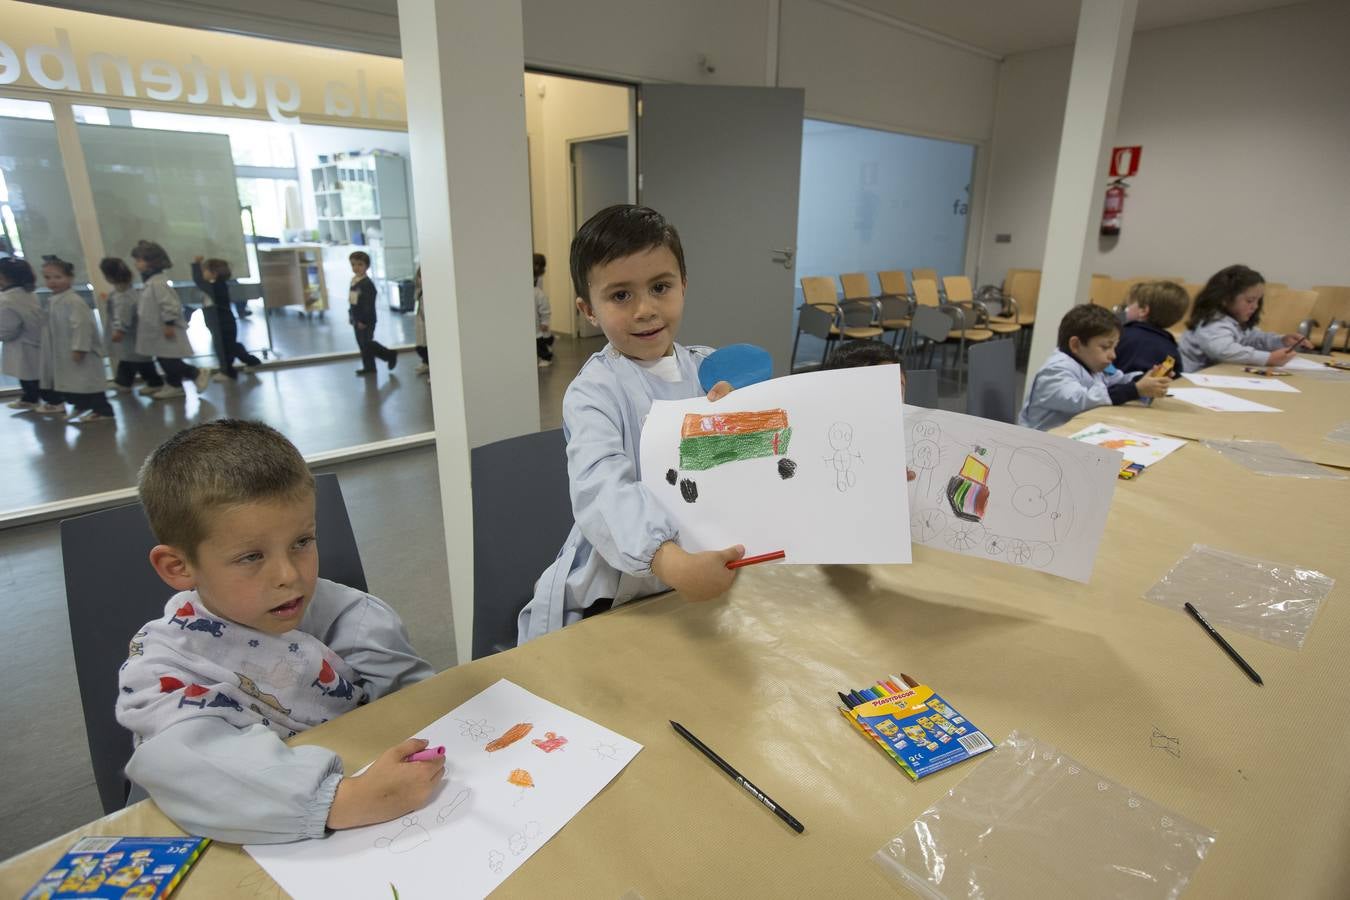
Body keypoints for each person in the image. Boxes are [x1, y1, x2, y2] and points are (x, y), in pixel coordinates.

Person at [116, 420, 442, 844]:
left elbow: (423, 709)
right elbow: (193, 768)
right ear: (179, 567)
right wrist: (340, 801)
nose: (290, 575)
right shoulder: (163, 665)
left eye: (302, 542)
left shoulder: (354, 617)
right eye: (252, 556)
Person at [517, 205, 741, 644]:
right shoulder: (594, 392)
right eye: (621, 295)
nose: (645, 309)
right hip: (620, 590)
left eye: (660, 287)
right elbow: (603, 488)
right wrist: (667, 559)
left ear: (684, 286)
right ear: (588, 309)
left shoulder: (711, 371)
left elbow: (769, 461)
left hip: (709, 572)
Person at [1018, 303, 1169, 431]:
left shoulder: (1096, 364)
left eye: (1114, 347)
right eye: (1105, 347)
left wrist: (1145, 379)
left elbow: (1119, 379)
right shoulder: (1055, 371)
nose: (1113, 355)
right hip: (1042, 442)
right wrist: (1135, 390)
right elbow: (1082, 400)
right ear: (1076, 345)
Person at [1178, 264, 1309, 372]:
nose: (1256, 306)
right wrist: (1268, 358)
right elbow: (1224, 351)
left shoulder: (1235, 320)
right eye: (1250, 301)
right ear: (1225, 299)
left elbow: (1254, 338)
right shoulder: (1212, 323)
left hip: (1215, 375)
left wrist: (1281, 341)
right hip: (1193, 380)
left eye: (1258, 300)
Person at [131, 241, 212, 400]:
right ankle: (174, 385)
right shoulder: (152, 282)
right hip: (158, 330)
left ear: (151, 262)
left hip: (165, 330)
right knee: (164, 358)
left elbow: (170, 306)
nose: (136, 264)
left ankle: (195, 373)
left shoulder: (158, 284)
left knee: (170, 361)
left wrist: (168, 324)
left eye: (139, 260)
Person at [42, 256, 116, 424]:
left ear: (70, 278)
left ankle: (102, 410)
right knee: (73, 385)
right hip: (64, 352)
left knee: (89, 384)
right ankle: (80, 405)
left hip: (82, 353)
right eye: (47, 277)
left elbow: (82, 326)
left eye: (58, 277)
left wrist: (79, 348)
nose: (52, 282)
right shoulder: (54, 300)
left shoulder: (73, 301)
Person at [101, 257, 164, 396]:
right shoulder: (126, 292)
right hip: (133, 334)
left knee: (138, 360)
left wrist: (119, 329)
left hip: (130, 335)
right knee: (129, 359)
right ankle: (123, 382)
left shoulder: (123, 296)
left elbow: (123, 314)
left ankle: (154, 383)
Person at [192, 256, 262, 381]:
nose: (203, 274)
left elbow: (198, 281)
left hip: (221, 323)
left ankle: (228, 372)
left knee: (224, 348)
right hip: (221, 322)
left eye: (205, 270)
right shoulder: (218, 286)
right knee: (230, 346)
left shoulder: (215, 287)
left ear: (214, 273)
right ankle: (250, 362)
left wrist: (196, 264)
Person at [0, 256, 47, 410]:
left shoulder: (6, 299)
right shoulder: (28, 293)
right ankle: (31, 398)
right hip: (35, 340)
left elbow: (8, 327)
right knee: (33, 374)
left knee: (29, 376)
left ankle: (39, 399)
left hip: (22, 344)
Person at [1114, 281, 1189, 376]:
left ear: (1143, 311)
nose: (1127, 308)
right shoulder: (1172, 349)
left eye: (1129, 305)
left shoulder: (1119, 336)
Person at [349, 251, 397, 376]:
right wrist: (352, 316)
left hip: (366, 320)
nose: (356, 268)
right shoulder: (354, 281)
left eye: (360, 265)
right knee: (362, 344)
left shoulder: (367, 284)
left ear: (366, 266)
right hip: (356, 319)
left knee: (367, 343)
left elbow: (368, 305)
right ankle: (369, 367)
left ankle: (389, 354)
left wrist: (363, 320)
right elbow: (352, 301)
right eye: (353, 265)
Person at [534, 253, 554, 368]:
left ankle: (546, 356)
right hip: (537, 307)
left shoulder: (538, 291)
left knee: (540, 338)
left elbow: (544, 308)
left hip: (538, 305)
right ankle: (549, 340)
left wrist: (545, 322)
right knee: (542, 335)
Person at [413, 266, 428, 375]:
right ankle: (426, 363)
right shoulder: (419, 292)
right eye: (420, 277)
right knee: (420, 347)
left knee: (426, 347)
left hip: (426, 324)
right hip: (420, 322)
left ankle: (430, 366)